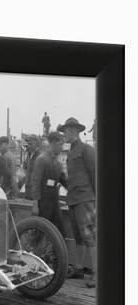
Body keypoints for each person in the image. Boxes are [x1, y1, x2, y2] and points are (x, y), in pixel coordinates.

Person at [58, 117, 96, 287]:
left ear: (74, 131)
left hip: (85, 199)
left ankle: (95, 273)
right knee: (78, 236)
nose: (64, 134)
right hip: (73, 200)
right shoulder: (72, 151)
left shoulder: (86, 150)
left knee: (89, 236)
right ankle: (79, 269)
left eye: (65, 131)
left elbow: (95, 175)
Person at [30, 131, 68, 236]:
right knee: (40, 233)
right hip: (43, 203)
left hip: (54, 202)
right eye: (60, 144)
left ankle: (57, 252)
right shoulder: (41, 160)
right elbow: (36, 182)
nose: (62, 148)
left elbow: (64, 181)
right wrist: (35, 205)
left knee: (59, 233)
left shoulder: (57, 163)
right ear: (53, 143)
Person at [23, 134, 41, 199]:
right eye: (28, 144)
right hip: (27, 189)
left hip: (35, 192)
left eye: (31, 144)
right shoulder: (29, 155)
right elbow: (24, 168)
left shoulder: (40, 157)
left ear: (37, 144)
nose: (28, 146)